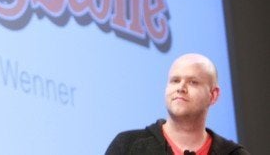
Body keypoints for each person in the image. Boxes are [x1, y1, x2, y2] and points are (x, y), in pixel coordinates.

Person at [105, 53, 249, 155]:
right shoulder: (128, 146)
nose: (181, 88)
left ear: (213, 95)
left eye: (193, 82)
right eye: (175, 80)